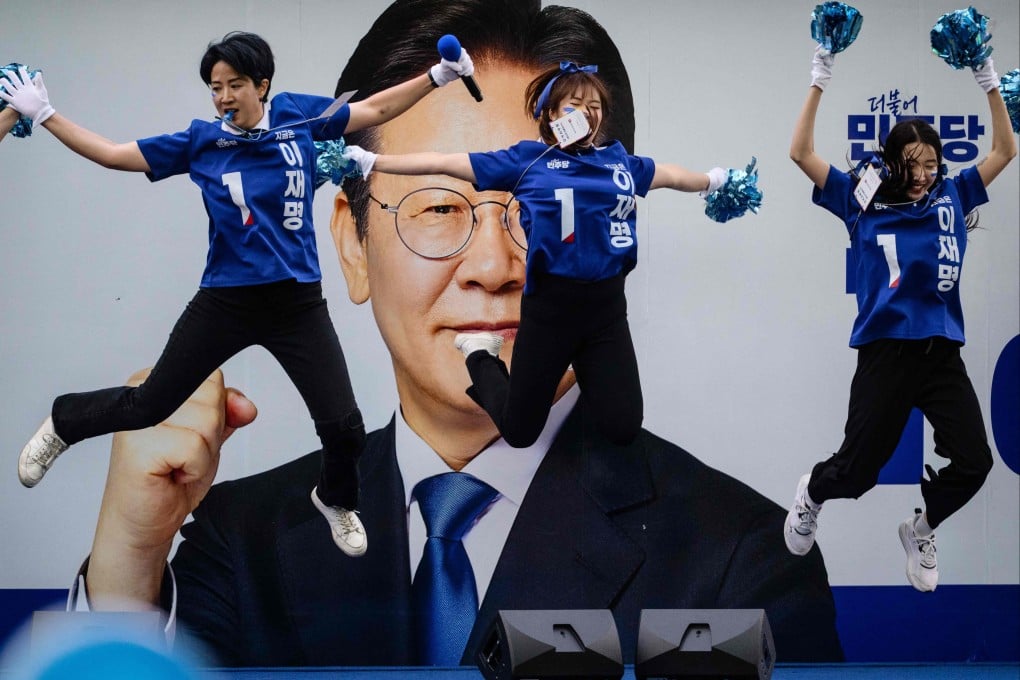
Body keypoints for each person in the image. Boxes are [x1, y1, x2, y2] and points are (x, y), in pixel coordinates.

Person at [69, 0, 843, 667]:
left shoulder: (744, 561)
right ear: (351, 244)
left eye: (533, 217)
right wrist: (127, 575)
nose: (496, 266)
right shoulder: (239, 541)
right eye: (439, 208)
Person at [0, 30, 475, 556]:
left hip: (296, 304)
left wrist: (438, 77)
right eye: (215, 87)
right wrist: (44, 115)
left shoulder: (299, 118)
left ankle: (336, 500)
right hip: (226, 300)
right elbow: (113, 155)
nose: (224, 97)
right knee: (149, 405)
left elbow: (375, 109)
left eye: (235, 85)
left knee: (345, 428)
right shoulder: (202, 141)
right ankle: (65, 421)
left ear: (262, 85)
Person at [343, 62, 730, 450]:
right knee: (520, 431)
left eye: (595, 106)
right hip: (551, 310)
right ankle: (480, 355)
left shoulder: (617, 162)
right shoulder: (528, 161)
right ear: (549, 114)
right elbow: (445, 163)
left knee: (623, 426)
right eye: (574, 104)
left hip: (607, 311)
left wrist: (712, 181)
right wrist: (375, 162)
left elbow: (671, 176)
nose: (586, 113)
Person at [784, 40, 1016, 592]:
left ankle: (922, 528)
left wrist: (988, 79)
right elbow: (799, 152)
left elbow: (1005, 150)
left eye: (931, 164)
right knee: (856, 473)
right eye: (911, 166)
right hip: (885, 353)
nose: (921, 176)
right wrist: (821, 74)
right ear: (892, 163)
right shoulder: (861, 201)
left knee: (975, 462)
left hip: (940, 353)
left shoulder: (954, 196)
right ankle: (812, 492)